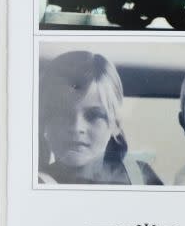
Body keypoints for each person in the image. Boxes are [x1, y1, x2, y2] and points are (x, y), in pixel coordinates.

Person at [37, 50, 162, 185]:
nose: (76, 127)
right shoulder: (37, 182)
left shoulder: (139, 175)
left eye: (93, 115)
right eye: (62, 114)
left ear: (116, 124)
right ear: (44, 120)